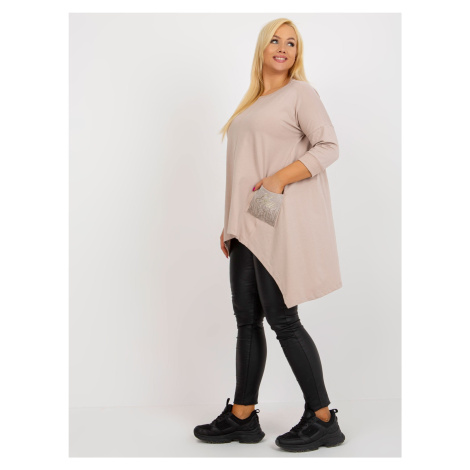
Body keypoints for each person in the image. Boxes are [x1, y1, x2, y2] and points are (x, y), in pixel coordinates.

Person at [193, 18, 346, 453]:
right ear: (262, 48)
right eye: (275, 40)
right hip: (246, 221)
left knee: (283, 319)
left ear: (298, 53)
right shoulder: (253, 103)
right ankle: (243, 415)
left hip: (275, 216)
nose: (283, 47)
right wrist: (230, 223)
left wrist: (279, 178)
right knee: (246, 319)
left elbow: (329, 146)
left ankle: (322, 419)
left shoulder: (301, 93)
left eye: (291, 43)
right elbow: (243, 169)